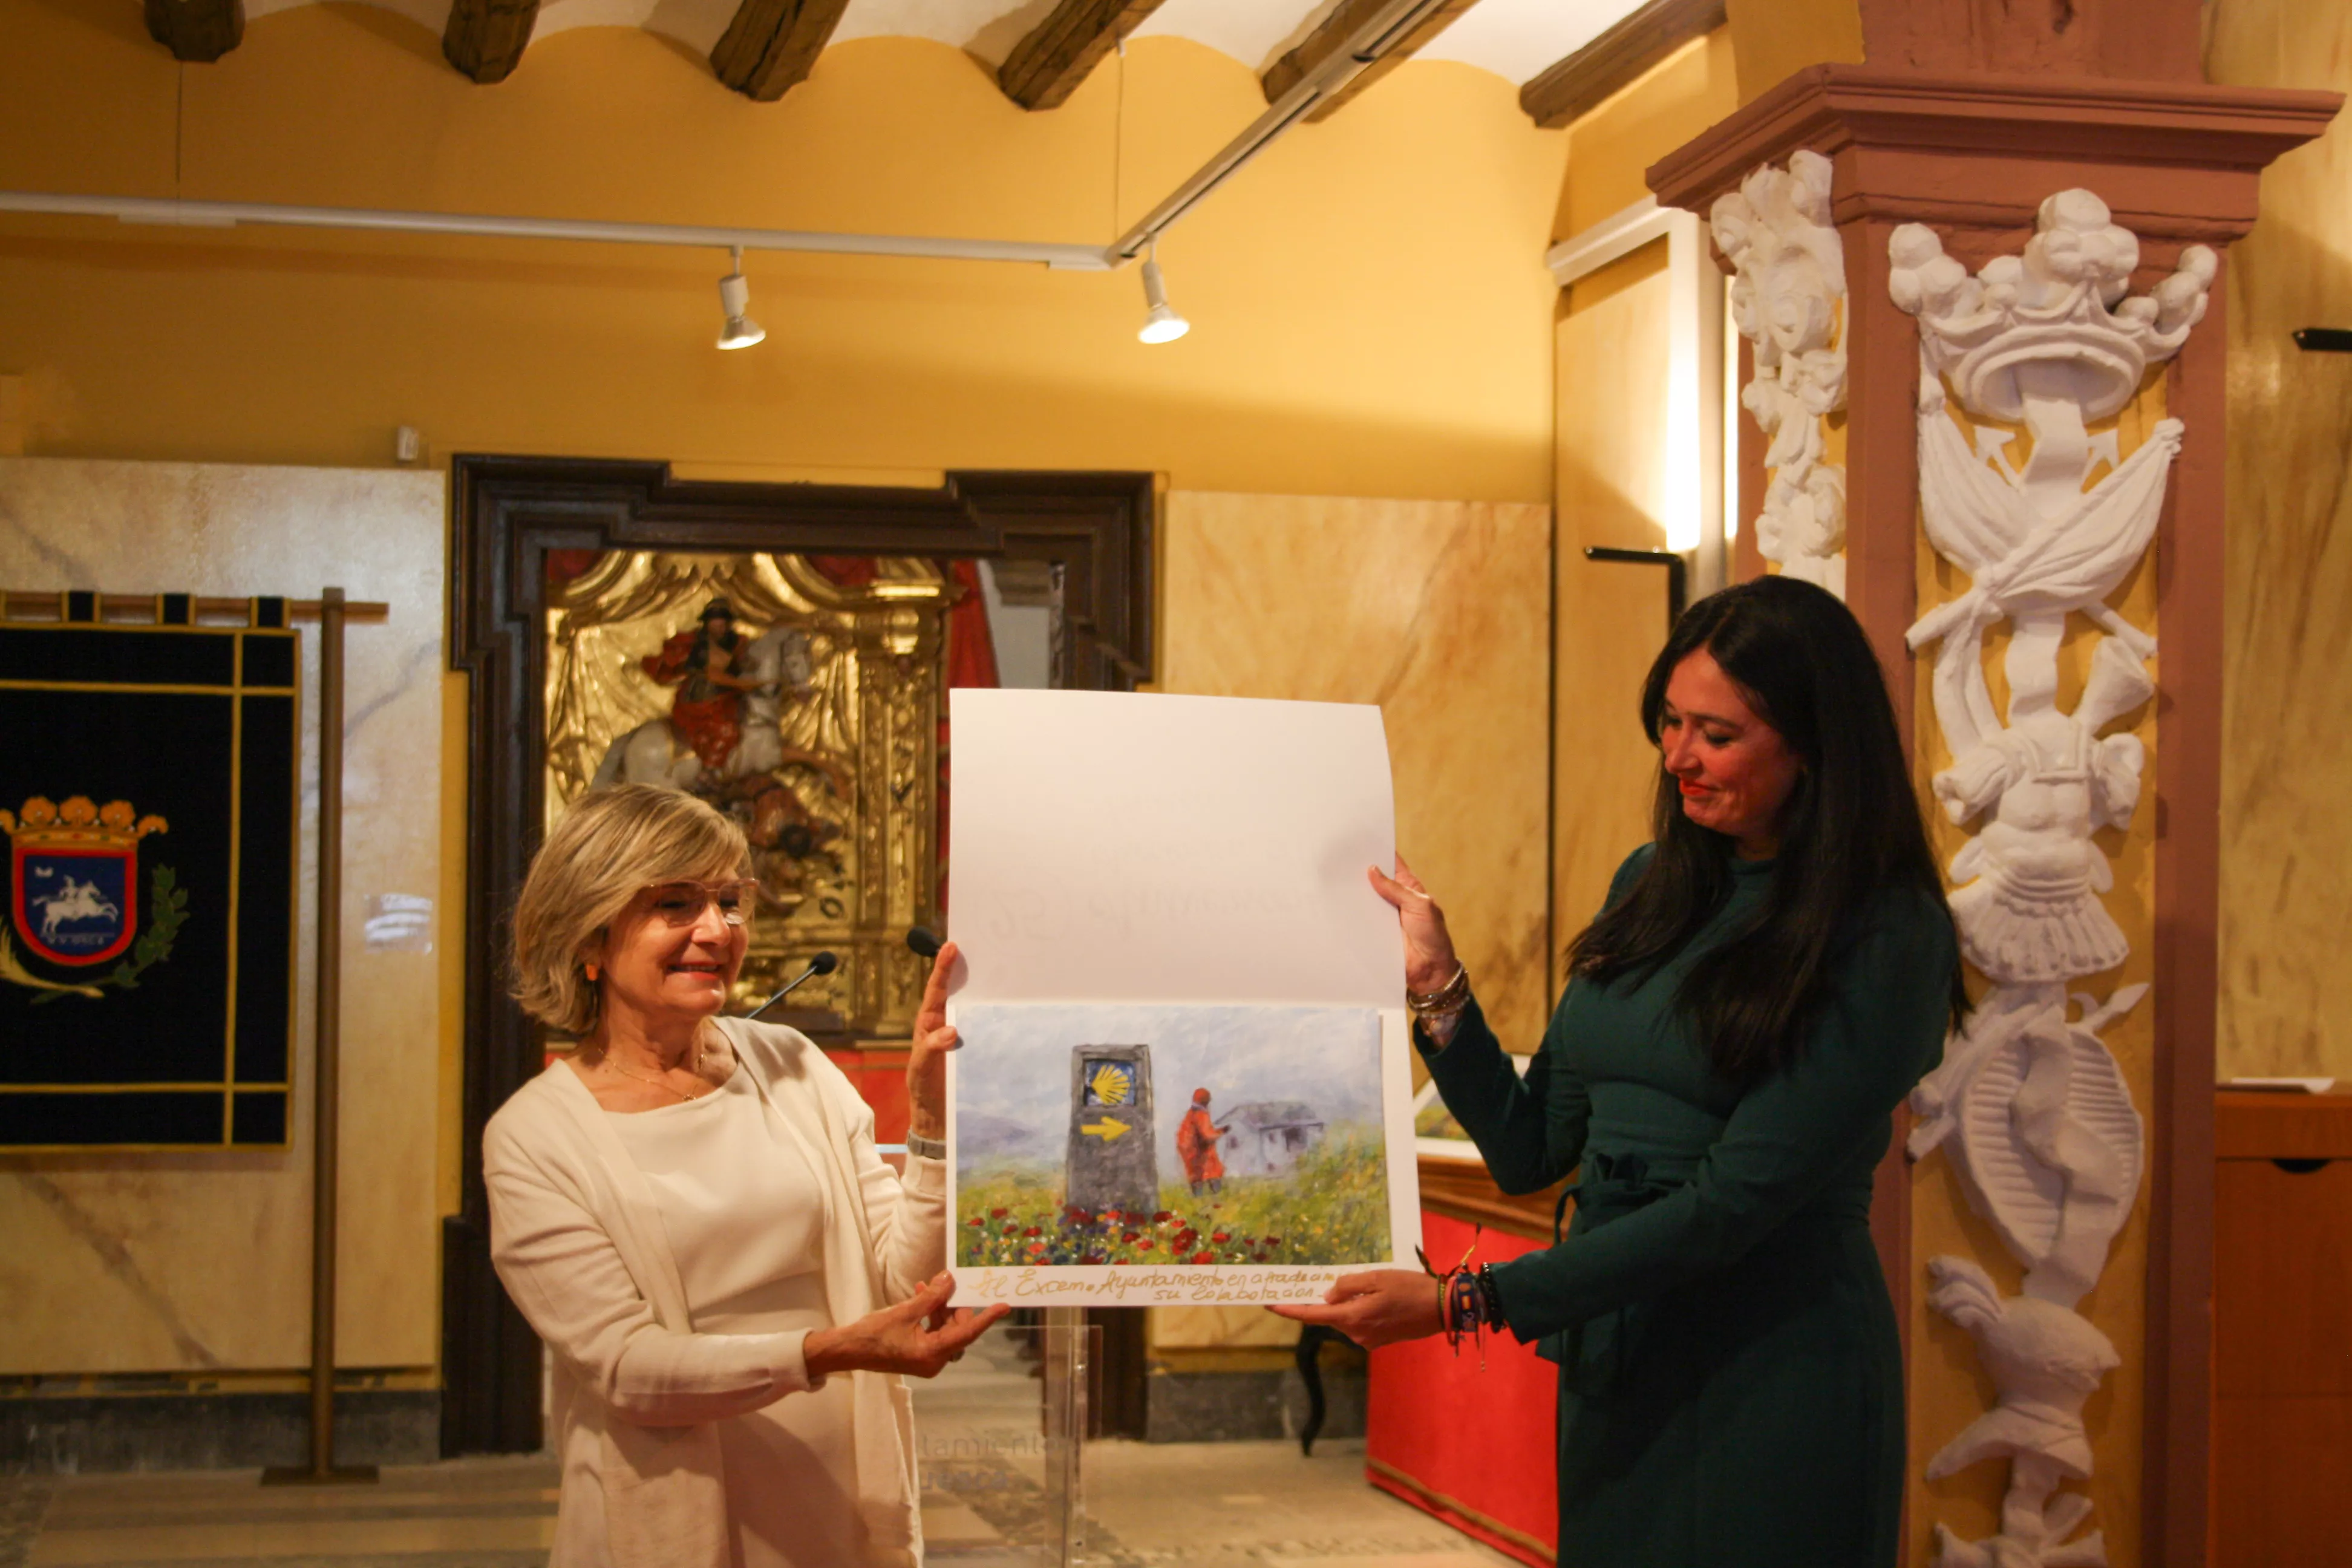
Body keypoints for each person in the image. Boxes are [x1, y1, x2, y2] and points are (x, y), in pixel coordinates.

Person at [1275, 575, 1964, 1567]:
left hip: (1772, 1373)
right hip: (1619, 1362)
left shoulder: (1886, 932)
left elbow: (1729, 1207)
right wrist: (1436, 983)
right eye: (1669, 721)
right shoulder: (1648, 884)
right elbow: (1529, 1148)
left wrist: (1462, 1301)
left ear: (1814, 743)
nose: (1678, 755)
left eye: (1715, 734)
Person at [485, 783, 1007, 1568]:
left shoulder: (791, 1065)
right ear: (589, 937)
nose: (716, 930)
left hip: (838, 1505)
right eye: (676, 904)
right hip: (668, 1519)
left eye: (730, 901)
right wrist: (828, 1352)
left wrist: (929, 1120)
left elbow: (908, 1281)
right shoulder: (534, 1137)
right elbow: (629, 1369)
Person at [643, 597, 757, 771]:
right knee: (726, 730)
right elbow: (710, 673)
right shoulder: (696, 644)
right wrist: (737, 682)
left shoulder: (737, 643)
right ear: (707, 623)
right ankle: (709, 771)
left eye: (723, 622)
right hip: (700, 700)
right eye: (715, 622)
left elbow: (745, 665)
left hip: (729, 699)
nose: (719, 626)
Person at [1176, 1088, 1228, 1195]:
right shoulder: (1201, 1115)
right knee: (1214, 1171)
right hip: (1199, 1151)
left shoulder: (1191, 1114)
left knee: (1196, 1176)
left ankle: (1198, 1199)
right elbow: (1207, 1136)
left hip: (1189, 1150)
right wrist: (1221, 1132)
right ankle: (1216, 1196)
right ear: (1206, 1101)